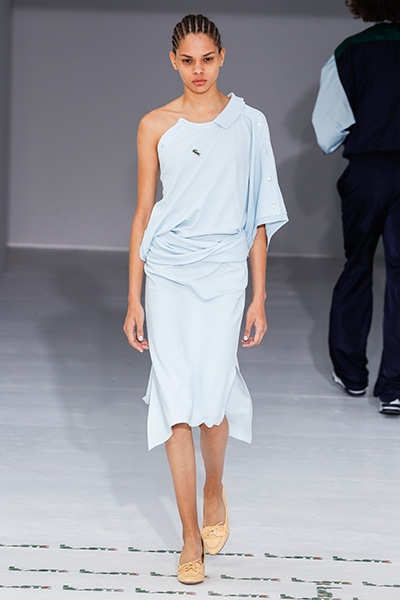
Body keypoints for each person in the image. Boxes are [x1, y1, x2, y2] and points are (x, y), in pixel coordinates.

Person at [123, 14, 287, 584]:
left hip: (223, 274)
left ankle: (214, 488)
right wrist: (134, 297)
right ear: (174, 60)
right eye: (188, 60)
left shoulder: (249, 124)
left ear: (222, 57)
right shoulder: (155, 124)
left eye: (208, 59)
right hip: (168, 272)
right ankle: (189, 534)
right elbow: (144, 213)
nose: (199, 70)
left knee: (212, 403)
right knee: (175, 402)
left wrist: (259, 296)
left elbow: (257, 214)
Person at [312, 0, 400, 416]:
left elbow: (326, 133)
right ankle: (395, 386)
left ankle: (351, 373)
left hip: (367, 173)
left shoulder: (351, 50)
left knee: (358, 265)